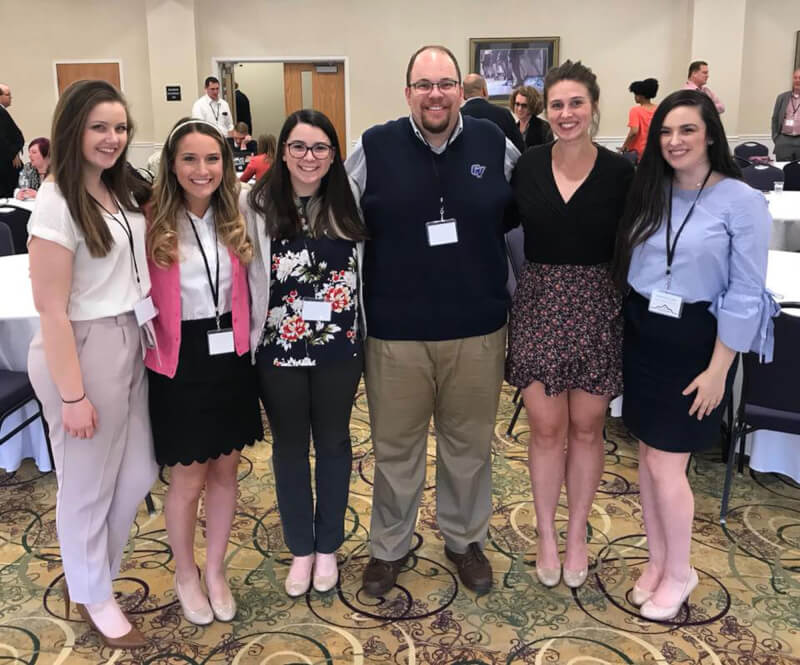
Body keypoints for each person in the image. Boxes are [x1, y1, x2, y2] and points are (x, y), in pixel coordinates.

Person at [346, 45, 519, 596]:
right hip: (396, 335)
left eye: (445, 83)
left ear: (460, 92)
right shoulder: (374, 146)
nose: (435, 94)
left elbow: (527, 216)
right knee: (395, 449)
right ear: (408, 93)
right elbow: (333, 215)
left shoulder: (495, 144)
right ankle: (389, 547)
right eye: (424, 84)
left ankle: (465, 541)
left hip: (477, 330)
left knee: (467, 446)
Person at [612, 89, 776, 620]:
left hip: (695, 343)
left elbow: (747, 293)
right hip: (642, 332)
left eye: (686, 130)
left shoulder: (742, 200)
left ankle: (682, 571)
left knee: (668, 465)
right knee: (647, 457)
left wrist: (717, 372)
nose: (674, 141)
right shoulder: (651, 189)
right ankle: (659, 561)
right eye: (665, 131)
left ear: (710, 134)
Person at [27, 79, 158, 649]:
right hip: (82, 348)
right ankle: (93, 593)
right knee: (85, 485)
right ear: (73, 128)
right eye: (99, 127)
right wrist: (73, 395)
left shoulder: (115, 189)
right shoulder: (57, 203)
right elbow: (50, 311)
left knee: (137, 473)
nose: (112, 138)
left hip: (130, 337)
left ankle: (90, 577)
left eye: (120, 127)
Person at [506, 60, 634, 590]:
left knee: (586, 428)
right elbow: (501, 230)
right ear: (546, 109)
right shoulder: (529, 166)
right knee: (545, 429)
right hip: (539, 305)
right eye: (557, 104)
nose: (566, 113)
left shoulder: (622, 172)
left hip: (598, 309)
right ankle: (544, 535)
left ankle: (577, 534)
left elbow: (638, 243)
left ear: (593, 107)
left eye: (575, 103)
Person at [243, 109, 367, 597]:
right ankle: (301, 548)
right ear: (283, 152)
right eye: (298, 147)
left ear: (334, 154)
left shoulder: (350, 198)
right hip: (278, 346)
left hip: (340, 347)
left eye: (319, 148)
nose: (309, 157)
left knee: (335, 444)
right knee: (290, 447)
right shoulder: (254, 202)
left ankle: (329, 546)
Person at [145, 118, 262, 625]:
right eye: (190, 159)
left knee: (226, 471)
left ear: (225, 165)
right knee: (187, 477)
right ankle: (186, 572)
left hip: (230, 354)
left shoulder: (235, 213)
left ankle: (216, 569)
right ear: (172, 165)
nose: (202, 169)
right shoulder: (148, 218)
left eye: (212, 159)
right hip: (179, 358)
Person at [461, 73, 525, 153]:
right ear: (484, 90)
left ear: (463, 94)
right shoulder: (503, 114)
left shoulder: (457, 117)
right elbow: (519, 148)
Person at [620, 78, 658, 163]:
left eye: (635, 94)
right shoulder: (658, 109)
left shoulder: (635, 111)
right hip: (655, 151)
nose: (635, 97)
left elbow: (634, 131)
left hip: (639, 153)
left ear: (640, 96)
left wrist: (625, 146)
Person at [509, 84, 552, 149]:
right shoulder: (513, 128)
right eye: (517, 104)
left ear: (532, 106)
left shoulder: (544, 127)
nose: (520, 109)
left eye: (524, 105)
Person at [771, 68, 800, 162]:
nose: (797, 80)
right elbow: (775, 119)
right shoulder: (782, 97)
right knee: (783, 170)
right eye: (795, 78)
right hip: (784, 140)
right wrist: (776, 138)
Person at [0, 83, 24, 198]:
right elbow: (3, 138)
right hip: (6, 164)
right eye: (7, 95)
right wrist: (14, 153)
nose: (10, 97)